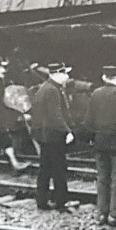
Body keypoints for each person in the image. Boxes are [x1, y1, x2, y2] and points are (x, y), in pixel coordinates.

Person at [86, 64, 116, 225]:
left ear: (103, 77)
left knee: (102, 177)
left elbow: (89, 121)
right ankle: (115, 215)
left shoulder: (95, 94)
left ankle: (101, 213)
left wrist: (92, 138)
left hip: (100, 142)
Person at [27, 63, 77, 211]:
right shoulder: (52, 90)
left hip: (45, 135)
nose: (67, 76)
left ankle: (42, 201)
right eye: (65, 73)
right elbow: (55, 116)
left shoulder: (46, 88)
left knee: (46, 169)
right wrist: (67, 131)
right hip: (53, 136)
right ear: (57, 74)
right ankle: (61, 201)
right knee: (59, 169)